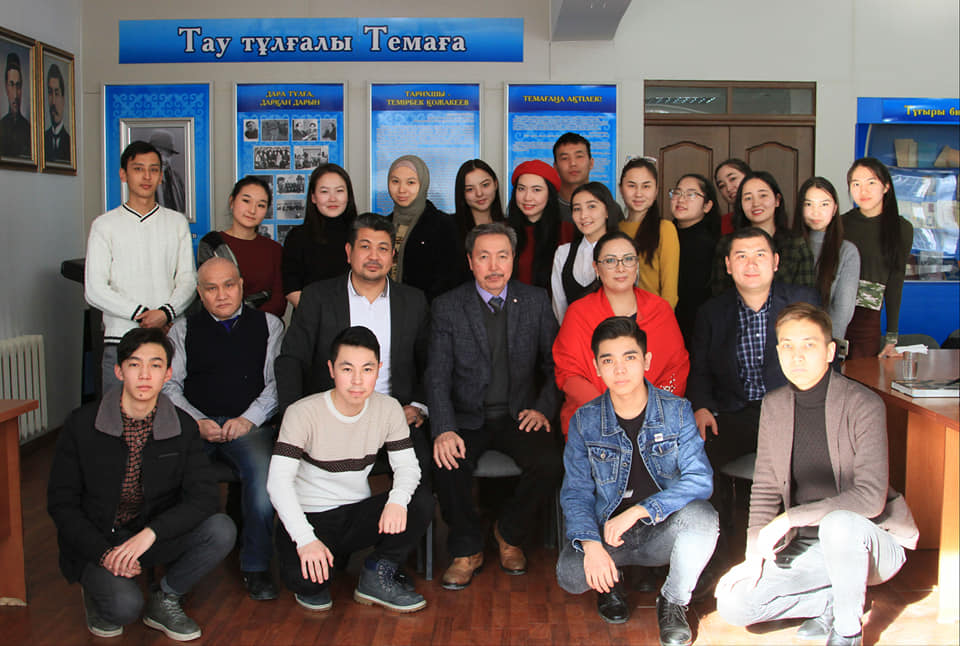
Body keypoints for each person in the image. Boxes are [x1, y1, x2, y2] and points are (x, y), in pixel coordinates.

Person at [716, 303, 918, 646]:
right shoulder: (775, 405)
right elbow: (765, 489)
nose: (797, 356)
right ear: (778, 352)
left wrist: (789, 518)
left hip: (870, 540)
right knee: (734, 604)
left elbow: (870, 498)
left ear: (829, 351)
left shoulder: (863, 404)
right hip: (810, 544)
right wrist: (754, 557)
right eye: (787, 346)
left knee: (839, 523)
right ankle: (833, 599)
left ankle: (847, 630)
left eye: (808, 345)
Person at [47, 328, 236, 641]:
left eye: (155, 365)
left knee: (221, 529)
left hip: (149, 535)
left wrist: (151, 534)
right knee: (123, 608)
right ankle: (96, 590)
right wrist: (103, 553)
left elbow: (203, 498)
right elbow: (61, 503)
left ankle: (166, 596)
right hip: (98, 540)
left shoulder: (183, 426)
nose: (145, 375)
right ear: (119, 371)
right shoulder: (81, 424)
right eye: (135, 365)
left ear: (168, 374)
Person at [274, 213, 434, 558]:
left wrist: (419, 405)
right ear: (348, 252)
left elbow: (430, 363)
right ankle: (324, 543)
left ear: (393, 256)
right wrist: (294, 419)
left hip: (395, 417)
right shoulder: (318, 297)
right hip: (330, 417)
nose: (374, 256)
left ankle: (387, 563)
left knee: (421, 485)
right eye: (365, 247)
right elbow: (290, 360)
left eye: (383, 248)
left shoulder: (413, 301)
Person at [557, 316, 717, 642]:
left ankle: (673, 601)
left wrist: (639, 511)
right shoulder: (585, 421)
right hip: (610, 535)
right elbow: (576, 492)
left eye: (629, 358)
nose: (620, 370)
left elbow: (700, 479)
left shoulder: (677, 411)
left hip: (662, 529)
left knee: (703, 518)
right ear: (596, 367)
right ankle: (610, 581)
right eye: (608, 360)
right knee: (570, 574)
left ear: (646, 361)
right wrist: (591, 545)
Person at [427, 222, 562, 590]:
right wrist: (444, 428)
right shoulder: (448, 306)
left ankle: (509, 533)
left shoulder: (534, 301)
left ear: (513, 259)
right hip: (467, 417)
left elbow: (555, 365)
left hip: (519, 415)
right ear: (470, 261)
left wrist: (542, 408)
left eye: (502, 256)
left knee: (550, 462)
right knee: (447, 462)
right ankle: (466, 548)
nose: (494, 266)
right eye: (484, 257)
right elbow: (437, 375)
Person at [267, 326, 432, 613]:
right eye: (347, 369)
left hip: (356, 513)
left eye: (367, 369)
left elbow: (408, 467)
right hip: (312, 517)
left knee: (420, 502)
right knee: (311, 588)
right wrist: (306, 540)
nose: (357, 380)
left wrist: (396, 501)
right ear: (331, 369)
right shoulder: (302, 412)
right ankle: (325, 558)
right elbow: (278, 483)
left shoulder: (389, 408)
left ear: (378, 370)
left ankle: (376, 573)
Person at [162, 257, 282, 601]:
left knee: (263, 486)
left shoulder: (269, 325)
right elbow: (170, 386)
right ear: (200, 293)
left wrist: (249, 419)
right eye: (211, 288)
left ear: (241, 285)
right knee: (167, 479)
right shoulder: (183, 329)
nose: (222, 295)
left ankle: (256, 566)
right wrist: (196, 421)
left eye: (229, 285)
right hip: (196, 426)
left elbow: (275, 384)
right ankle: (173, 565)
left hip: (249, 427)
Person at [688, 227, 820, 480]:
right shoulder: (711, 312)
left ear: (775, 262)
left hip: (793, 409)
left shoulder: (803, 301)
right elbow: (700, 370)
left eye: (760, 255)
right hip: (737, 413)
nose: (751, 264)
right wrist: (702, 407)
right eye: (741, 256)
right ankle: (721, 507)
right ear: (728, 265)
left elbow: (824, 363)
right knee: (696, 460)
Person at [84, 140, 197, 392]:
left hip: (168, 338)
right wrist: (143, 314)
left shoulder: (176, 222)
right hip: (121, 339)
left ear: (161, 176)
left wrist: (165, 313)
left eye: (154, 169)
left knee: (171, 411)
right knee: (118, 412)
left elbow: (188, 280)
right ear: (123, 174)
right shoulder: (104, 225)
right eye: (138, 169)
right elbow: (94, 289)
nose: (147, 176)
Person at [553, 231, 689, 435]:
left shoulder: (660, 310)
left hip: (655, 421)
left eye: (628, 259)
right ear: (596, 268)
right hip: (595, 421)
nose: (620, 268)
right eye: (610, 261)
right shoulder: (578, 313)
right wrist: (611, 412)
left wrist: (651, 411)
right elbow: (568, 374)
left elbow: (676, 368)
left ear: (636, 265)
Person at [842, 157, 914, 359]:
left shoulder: (901, 228)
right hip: (834, 311)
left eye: (871, 183)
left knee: (861, 373)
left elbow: (895, 281)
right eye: (856, 184)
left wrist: (892, 336)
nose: (863, 191)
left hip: (868, 318)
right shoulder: (840, 224)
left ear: (886, 187)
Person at [711, 171, 815, 296]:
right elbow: (719, 294)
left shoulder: (796, 245)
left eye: (763, 195)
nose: (756, 203)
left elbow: (806, 296)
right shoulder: (727, 244)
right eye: (748, 198)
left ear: (777, 200)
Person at [197, 176, 285, 317]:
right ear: (232, 202)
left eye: (261, 205)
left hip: (263, 325)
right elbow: (208, 295)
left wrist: (249, 322)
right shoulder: (212, 243)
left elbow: (278, 301)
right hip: (219, 325)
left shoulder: (274, 249)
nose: (252, 210)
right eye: (246, 201)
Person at [793, 177, 861, 347]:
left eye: (824, 204)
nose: (816, 212)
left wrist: (825, 347)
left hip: (824, 345)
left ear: (834, 208)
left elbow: (842, 311)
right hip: (788, 342)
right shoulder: (787, 246)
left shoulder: (847, 251)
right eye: (808, 204)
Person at [386, 154, 465, 301]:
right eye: (395, 181)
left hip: (427, 309)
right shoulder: (382, 225)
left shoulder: (443, 225)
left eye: (410, 182)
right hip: (384, 308)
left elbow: (450, 278)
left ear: (423, 184)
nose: (401, 189)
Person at [281, 163, 357, 308]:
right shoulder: (297, 237)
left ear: (348, 195)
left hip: (357, 318)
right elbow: (291, 288)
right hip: (311, 317)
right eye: (324, 191)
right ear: (313, 197)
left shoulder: (361, 234)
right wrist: (322, 316)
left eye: (339, 191)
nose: (332, 198)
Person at [550, 181, 620, 322]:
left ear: (607, 211)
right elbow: (559, 306)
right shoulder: (563, 253)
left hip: (616, 332)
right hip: (574, 331)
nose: (583, 215)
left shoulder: (623, 250)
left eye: (591, 206)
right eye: (577, 209)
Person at [618, 158, 680, 307]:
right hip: (618, 315)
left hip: (653, 315)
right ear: (621, 189)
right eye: (631, 186)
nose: (638, 193)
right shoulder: (616, 229)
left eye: (646, 186)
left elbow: (669, 291)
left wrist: (663, 318)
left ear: (656, 190)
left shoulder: (665, 229)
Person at [506, 159, 575, 288]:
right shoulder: (502, 231)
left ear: (550, 194)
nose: (527, 197)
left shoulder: (567, 232)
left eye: (536, 190)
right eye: (521, 189)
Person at [670, 174, 721, 346]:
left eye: (691, 194)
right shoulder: (663, 233)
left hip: (695, 328)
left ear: (707, 206)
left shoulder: (709, 244)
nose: (681, 199)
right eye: (677, 193)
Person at [453, 159, 505, 244]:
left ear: (495, 184)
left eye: (485, 185)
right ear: (462, 193)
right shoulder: (450, 228)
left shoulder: (510, 227)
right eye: (470, 189)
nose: (479, 193)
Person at [553, 132, 594, 222]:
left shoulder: (607, 206)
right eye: (565, 158)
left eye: (579, 156)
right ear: (555, 167)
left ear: (591, 163)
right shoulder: (544, 206)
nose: (573, 163)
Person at [0, 52, 30, 158]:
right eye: (11, 84)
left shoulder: (29, 129)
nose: (15, 94)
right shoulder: (1, 126)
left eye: (18, 85)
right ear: (6, 87)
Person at [149, 131, 186, 214]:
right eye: (160, 153)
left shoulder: (177, 179)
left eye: (168, 155)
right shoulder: (140, 180)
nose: (164, 159)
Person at [714, 158, 751, 236]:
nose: (728, 188)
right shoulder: (721, 223)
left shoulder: (767, 213)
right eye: (722, 186)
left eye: (733, 179)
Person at [44, 62, 71, 163]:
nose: (53, 102)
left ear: (63, 99)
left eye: (57, 93)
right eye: (50, 93)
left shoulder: (70, 143)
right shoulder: (42, 140)